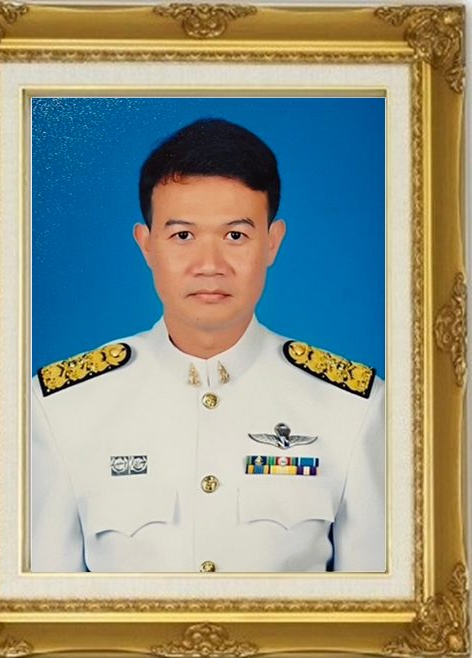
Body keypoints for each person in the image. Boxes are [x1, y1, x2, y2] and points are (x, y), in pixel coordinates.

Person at [31, 118, 385, 573]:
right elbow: (41, 606)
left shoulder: (353, 409)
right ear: (146, 245)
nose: (210, 265)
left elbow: (379, 608)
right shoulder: (62, 408)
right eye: (183, 236)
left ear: (272, 243)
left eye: (235, 235)